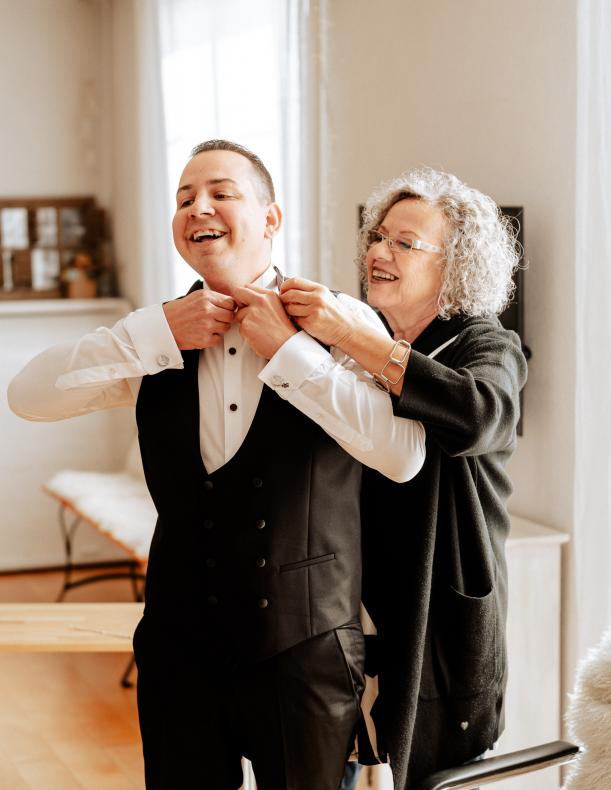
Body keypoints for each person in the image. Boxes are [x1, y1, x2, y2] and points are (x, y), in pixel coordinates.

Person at [8, 140, 426, 790]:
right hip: (179, 651)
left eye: (221, 191)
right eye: (183, 197)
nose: (197, 206)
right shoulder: (151, 339)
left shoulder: (340, 322)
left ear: (270, 218)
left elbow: (401, 458)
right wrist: (151, 334)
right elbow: (27, 397)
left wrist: (291, 352)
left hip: (306, 652)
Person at [278, 166, 528, 789]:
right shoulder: (363, 338)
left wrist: (350, 337)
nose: (378, 252)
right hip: (351, 614)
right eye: (378, 236)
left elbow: (477, 415)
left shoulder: (489, 346)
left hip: (437, 627)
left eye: (404, 243)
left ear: (457, 267)